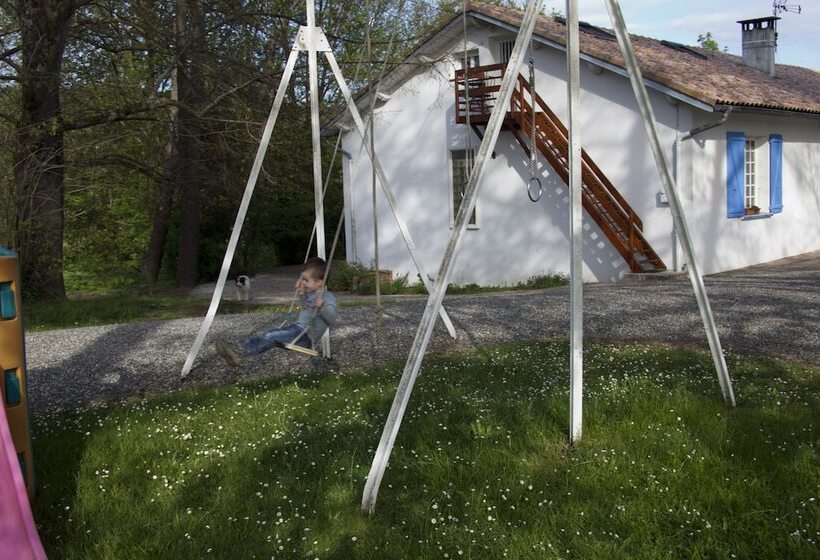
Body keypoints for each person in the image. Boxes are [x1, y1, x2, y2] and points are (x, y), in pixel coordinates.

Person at [215, 257, 338, 367]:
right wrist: (301, 293)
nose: (303, 282)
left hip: (305, 336)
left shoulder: (327, 298)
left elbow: (332, 318)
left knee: (271, 336)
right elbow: (308, 308)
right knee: (271, 332)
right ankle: (241, 349)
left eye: (306, 280)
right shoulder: (312, 294)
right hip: (297, 330)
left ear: (319, 282)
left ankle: (241, 352)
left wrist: (323, 307)